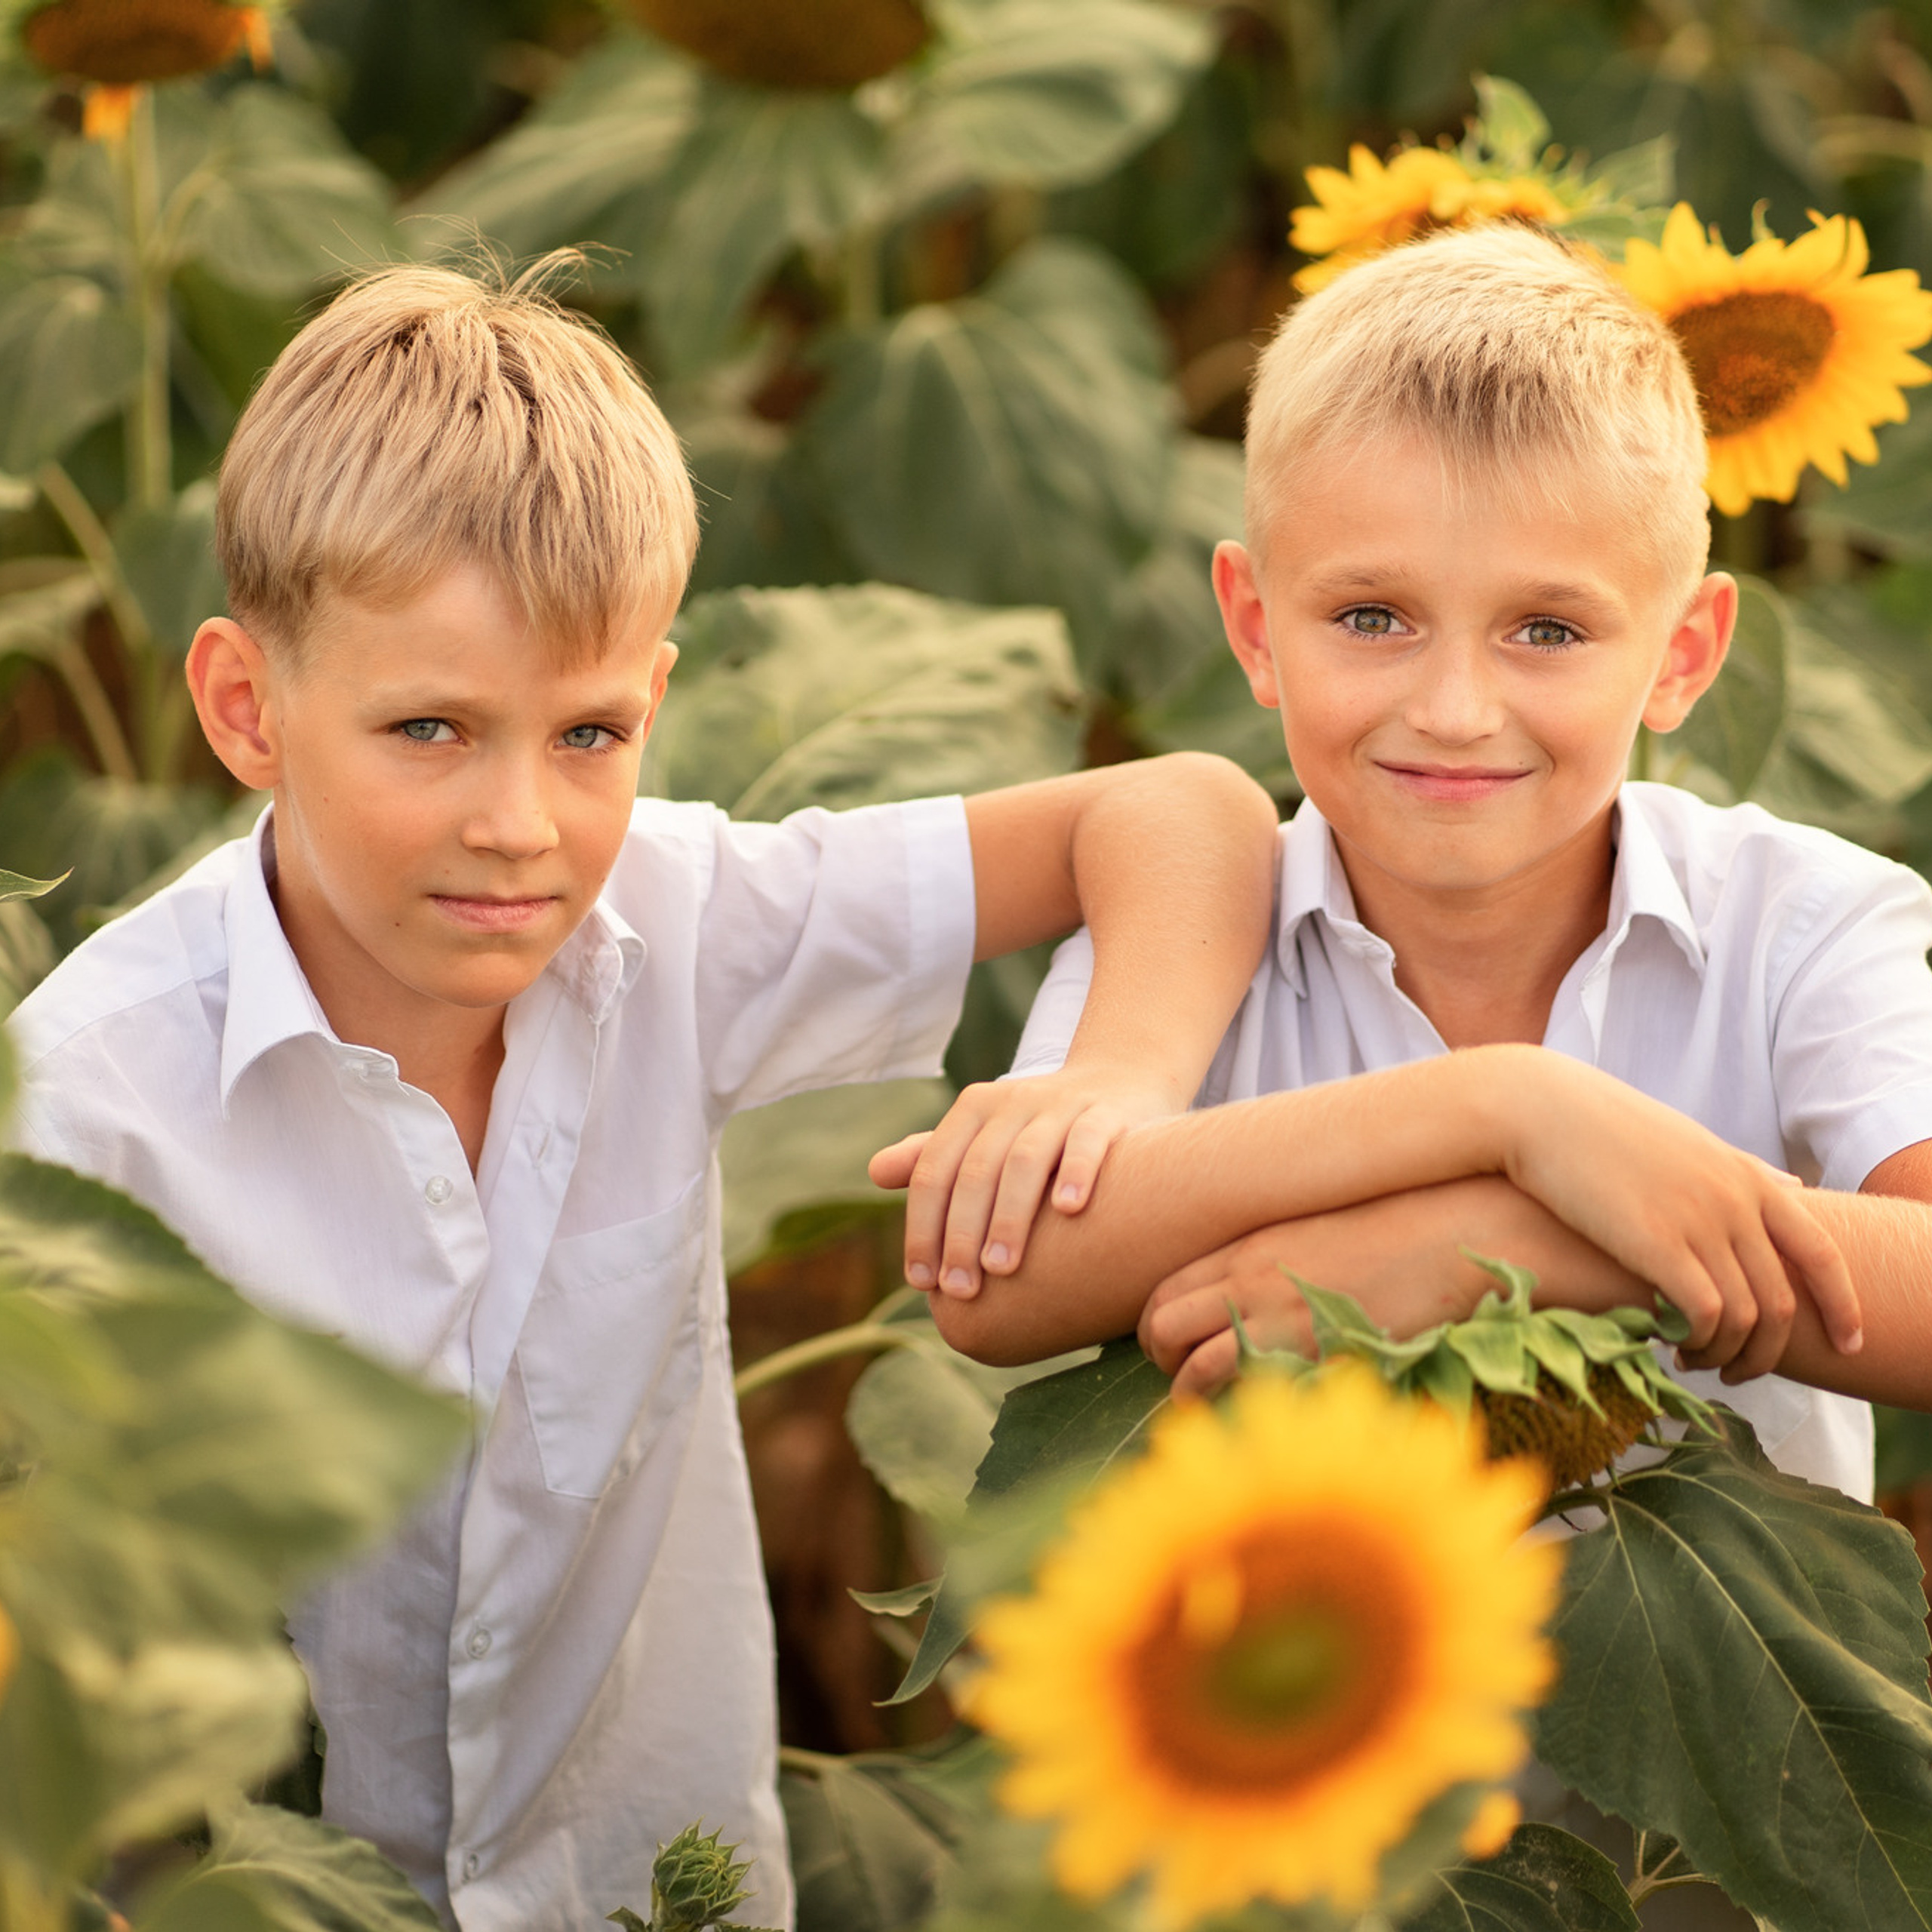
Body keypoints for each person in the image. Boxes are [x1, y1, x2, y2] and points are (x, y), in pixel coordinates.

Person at [4, 262, 1287, 1931]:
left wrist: (1105, 1087)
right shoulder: (91, 1104)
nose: (520, 821)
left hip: (651, 1891)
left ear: (654, 700)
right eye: (431, 729)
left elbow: (1183, 812)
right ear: (247, 706)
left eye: (589, 733)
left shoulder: (678, 922)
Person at [878, 223, 1932, 1497]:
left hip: (1705, 1684)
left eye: (1546, 629)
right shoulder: (1199, 930)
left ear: (1684, 656)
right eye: (1372, 617)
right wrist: (1512, 1117)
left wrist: (1517, 1241)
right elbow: (1002, 1281)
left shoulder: (1800, 923)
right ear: (1255, 628)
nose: (1451, 708)